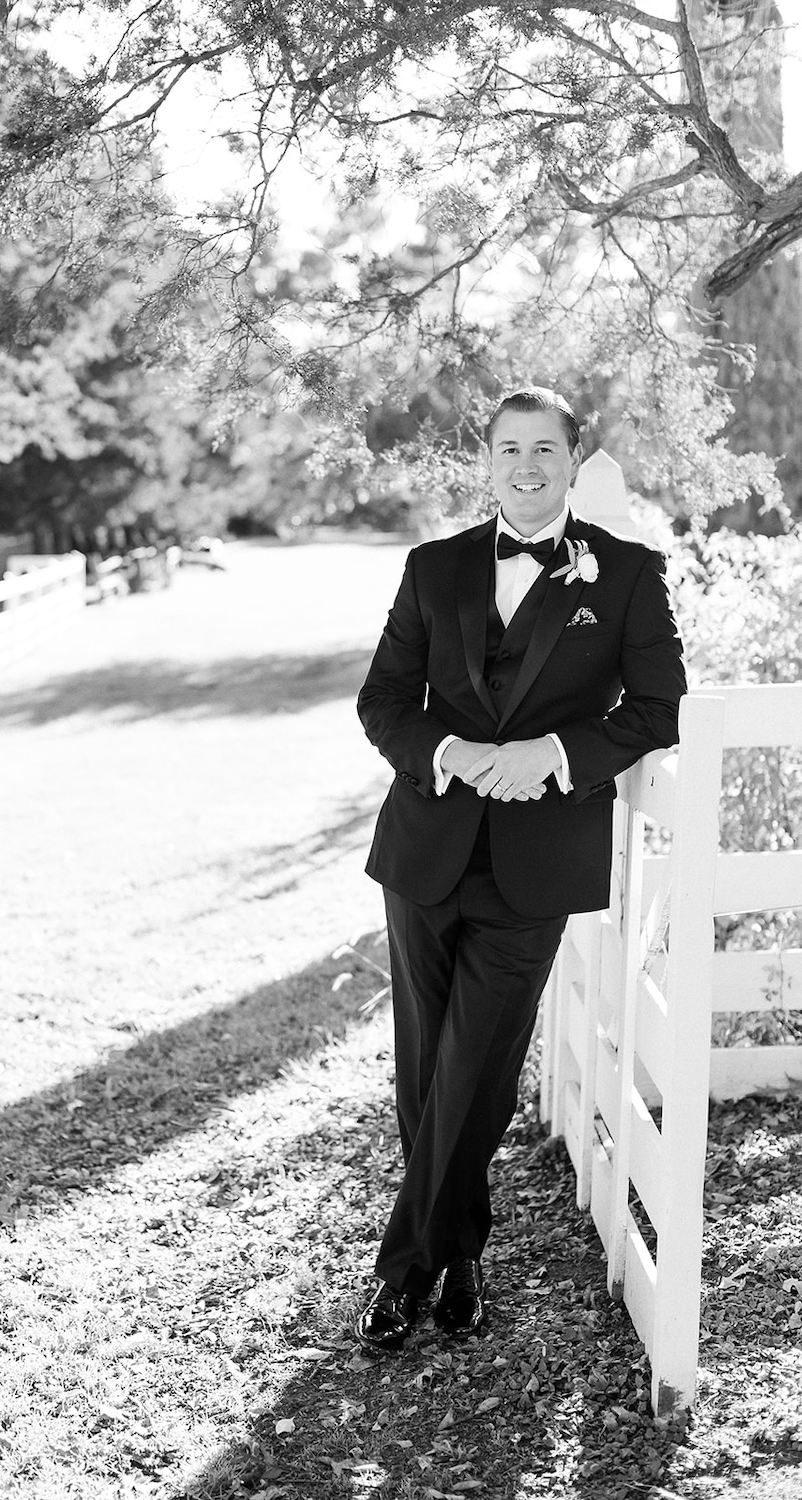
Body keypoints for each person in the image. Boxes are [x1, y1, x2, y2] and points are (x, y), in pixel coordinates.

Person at [354, 386, 686, 1353]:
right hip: (424, 852)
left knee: (479, 1067)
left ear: (573, 462)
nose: (527, 467)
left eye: (546, 449)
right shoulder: (434, 567)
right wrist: (452, 755)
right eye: (510, 450)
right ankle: (459, 1256)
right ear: (487, 461)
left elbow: (656, 706)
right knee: (428, 1067)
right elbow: (383, 703)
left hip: (537, 862)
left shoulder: (624, 574)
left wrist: (554, 755)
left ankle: (399, 1270)